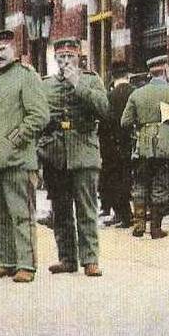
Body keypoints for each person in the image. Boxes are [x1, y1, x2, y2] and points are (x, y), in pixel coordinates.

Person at [0, 30, 50, 283]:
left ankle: (26, 264)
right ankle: (4, 261)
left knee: (21, 213)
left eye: (2, 49)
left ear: (13, 49)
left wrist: (14, 140)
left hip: (16, 160)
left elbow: (39, 115)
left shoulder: (26, 76)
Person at [38, 38, 109, 277]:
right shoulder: (45, 84)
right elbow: (37, 117)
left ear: (78, 57)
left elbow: (104, 108)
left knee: (86, 208)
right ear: (55, 58)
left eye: (70, 56)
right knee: (60, 209)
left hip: (84, 151)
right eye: (61, 56)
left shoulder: (90, 79)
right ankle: (67, 258)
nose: (65, 60)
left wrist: (77, 82)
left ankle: (90, 259)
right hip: (54, 153)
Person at [120, 54, 169, 240]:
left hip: (143, 146)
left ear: (150, 73)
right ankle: (155, 228)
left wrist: (139, 129)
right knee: (160, 185)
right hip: (167, 146)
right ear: (166, 70)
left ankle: (138, 223)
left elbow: (125, 122)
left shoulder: (137, 93)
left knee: (141, 184)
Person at [100, 66, 135, 229]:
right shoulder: (135, 93)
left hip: (112, 145)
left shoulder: (109, 96)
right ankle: (134, 215)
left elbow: (103, 123)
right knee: (131, 179)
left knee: (114, 180)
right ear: (128, 75)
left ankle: (122, 215)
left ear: (113, 77)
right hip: (132, 143)